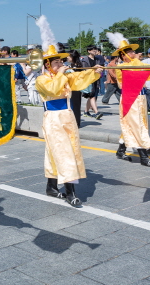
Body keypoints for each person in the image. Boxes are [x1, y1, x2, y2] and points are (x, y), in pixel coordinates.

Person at [34, 16, 101, 208]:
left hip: (68, 117)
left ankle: (51, 186)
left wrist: (94, 71)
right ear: (47, 65)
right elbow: (53, 90)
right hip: (53, 119)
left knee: (62, 151)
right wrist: (62, 73)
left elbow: (79, 80)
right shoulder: (42, 80)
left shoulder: (63, 77)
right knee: (65, 153)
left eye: (60, 62)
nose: (60, 65)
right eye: (56, 63)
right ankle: (71, 192)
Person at [109, 33, 150, 167]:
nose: (134, 53)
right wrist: (137, 60)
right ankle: (143, 157)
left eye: (133, 51)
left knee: (135, 124)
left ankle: (121, 150)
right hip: (130, 99)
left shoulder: (138, 63)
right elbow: (136, 72)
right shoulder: (121, 68)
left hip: (140, 98)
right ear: (123, 55)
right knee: (137, 125)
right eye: (130, 52)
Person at [81, 46, 103, 119]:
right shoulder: (85, 60)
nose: (95, 51)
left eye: (96, 50)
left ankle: (86, 111)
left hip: (96, 79)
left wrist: (100, 70)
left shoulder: (97, 59)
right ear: (89, 51)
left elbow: (100, 68)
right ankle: (96, 112)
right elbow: (85, 71)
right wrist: (94, 68)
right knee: (92, 96)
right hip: (89, 80)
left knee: (93, 96)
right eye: (93, 50)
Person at [65, 50, 84, 128]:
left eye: (68, 56)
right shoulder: (72, 65)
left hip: (76, 88)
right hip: (70, 88)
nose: (67, 58)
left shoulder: (78, 66)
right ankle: (73, 121)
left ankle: (76, 122)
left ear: (72, 57)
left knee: (75, 105)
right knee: (71, 105)